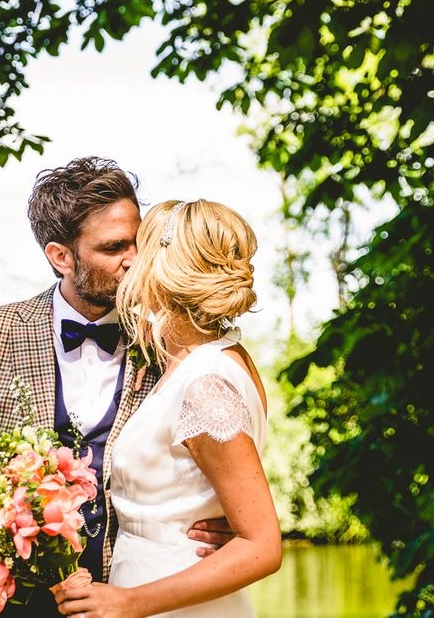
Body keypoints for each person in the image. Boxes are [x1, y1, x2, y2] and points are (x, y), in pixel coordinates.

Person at [0, 159, 231, 618]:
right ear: (61, 256)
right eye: (113, 247)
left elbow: (219, 472)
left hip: (124, 600)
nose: (133, 258)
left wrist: (225, 528)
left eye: (139, 242)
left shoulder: (168, 345)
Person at [55, 199, 282, 618]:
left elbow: (263, 546)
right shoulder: (199, 360)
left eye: (137, 247)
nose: (127, 262)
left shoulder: (206, 383)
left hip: (172, 602)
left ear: (162, 264)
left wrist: (128, 602)